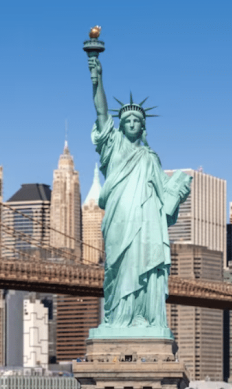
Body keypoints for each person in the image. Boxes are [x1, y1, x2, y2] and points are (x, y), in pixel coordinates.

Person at [88, 56, 191, 334]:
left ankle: (142, 317)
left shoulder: (149, 156)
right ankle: (118, 320)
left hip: (145, 222)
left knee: (142, 265)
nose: (132, 123)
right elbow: (101, 114)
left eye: (137, 120)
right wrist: (97, 79)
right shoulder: (113, 145)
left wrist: (180, 189)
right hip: (120, 218)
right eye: (127, 119)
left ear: (143, 127)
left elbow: (164, 193)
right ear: (120, 125)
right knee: (118, 267)